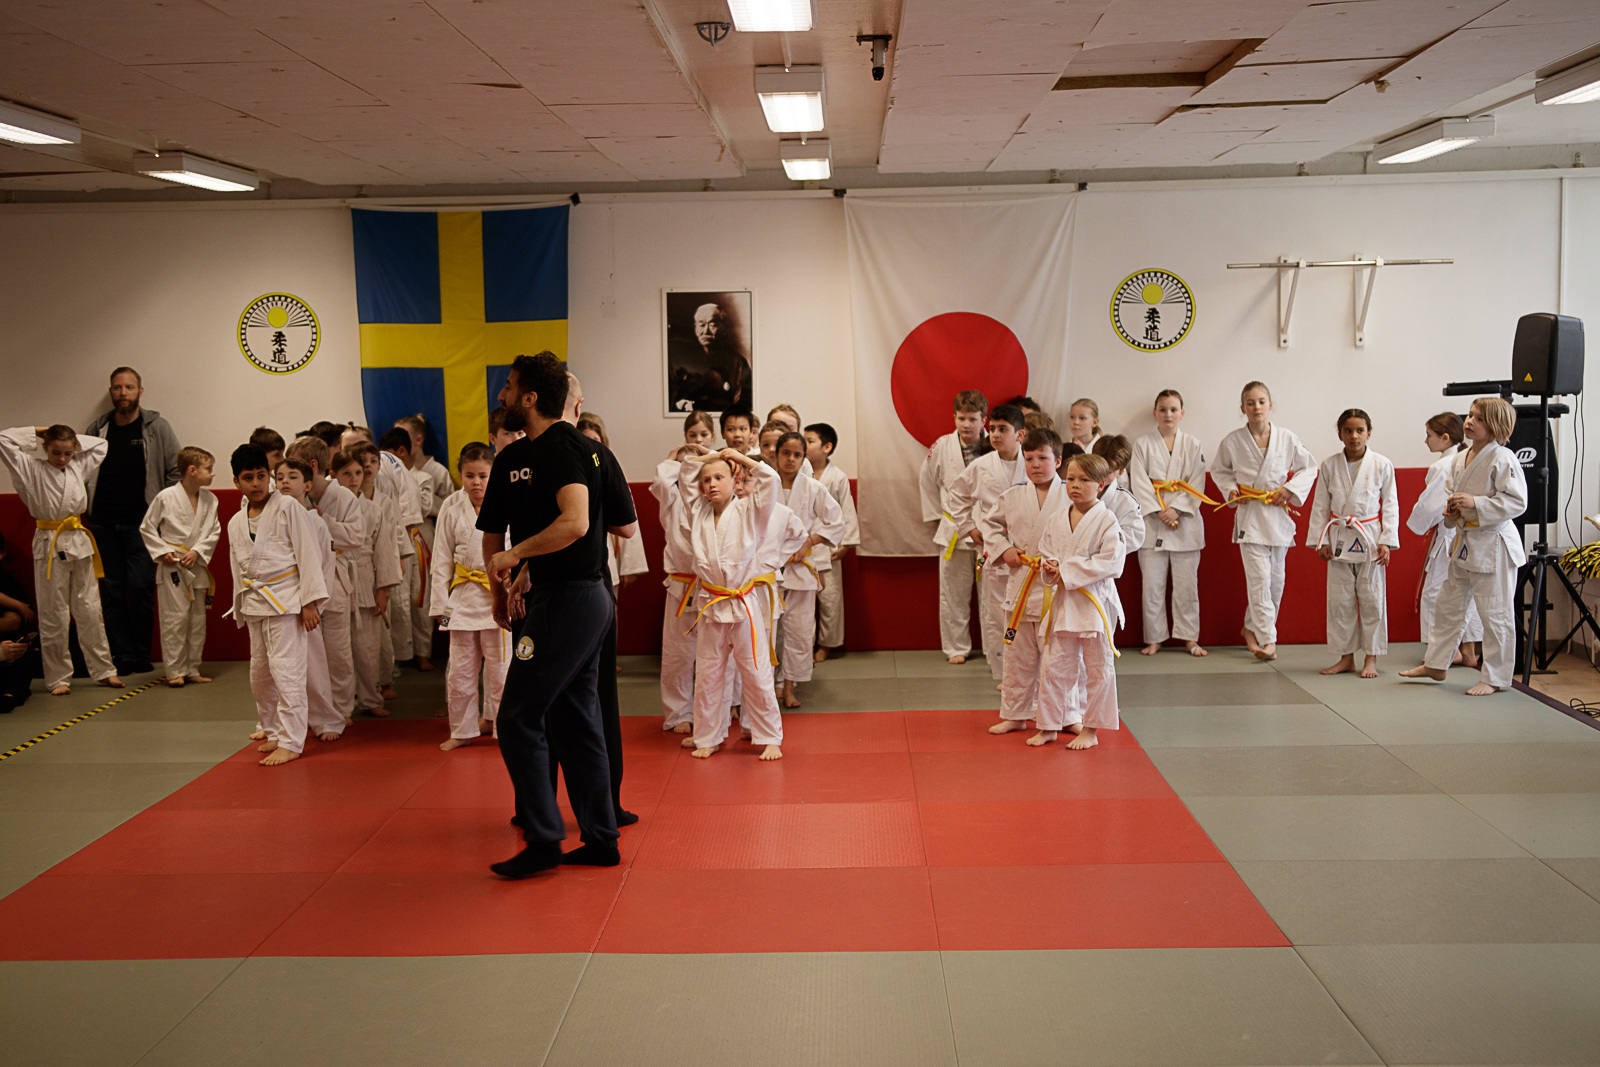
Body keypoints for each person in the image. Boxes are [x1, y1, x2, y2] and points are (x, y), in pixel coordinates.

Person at [480, 352, 637, 878]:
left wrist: (512, 555)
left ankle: (544, 837)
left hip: (568, 599)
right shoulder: (561, 451)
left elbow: (575, 523)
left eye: (508, 386)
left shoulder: (561, 447)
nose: (502, 394)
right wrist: (512, 580)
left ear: (529, 398)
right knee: (575, 718)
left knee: (517, 717)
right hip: (579, 596)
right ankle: (601, 838)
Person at [1401, 397, 1527, 696]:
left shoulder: (1504, 458)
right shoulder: (1460, 458)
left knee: (1495, 613)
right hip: (1464, 542)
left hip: (1494, 545)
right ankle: (1436, 664)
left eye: (1478, 418)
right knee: (1448, 605)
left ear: (1495, 426)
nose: (1469, 422)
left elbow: (1517, 502)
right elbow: (1450, 496)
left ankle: (1495, 678)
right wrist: (1451, 514)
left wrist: (1476, 503)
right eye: (1470, 415)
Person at [675, 446, 786, 759]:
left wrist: (739, 458)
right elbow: (685, 475)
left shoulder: (751, 510)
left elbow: (771, 478)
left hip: (742, 601)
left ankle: (770, 736)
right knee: (708, 672)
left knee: (755, 669)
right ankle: (707, 735)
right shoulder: (698, 512)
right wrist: (707, 455)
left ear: (735, 480)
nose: (711, 483)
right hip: (712, 601)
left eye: (719, 477)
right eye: (706, 479)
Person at [224, 444, 328, 766]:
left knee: (287, 672)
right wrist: (239, 605)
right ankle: (272, 730)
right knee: (260, 674)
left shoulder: (287, 507)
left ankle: (292, 741)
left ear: (268, 475)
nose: (256, 483)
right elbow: (237, 568)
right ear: (236, 481)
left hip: (286, 602)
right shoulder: (235, 522)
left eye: (261, 476)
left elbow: (308, 553)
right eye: (248, 478)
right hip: (255, 603)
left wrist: (309, 602)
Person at [0, 424, 121, 696]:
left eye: (68, 453)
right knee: (54, 612)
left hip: (78, 540)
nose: (63, 458)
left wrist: (72, 441)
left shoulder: (78, 465)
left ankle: (104, 670)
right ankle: (58, 678)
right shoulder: (30, 468)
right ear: (45, 448)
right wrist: (38, 431)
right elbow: (3, 439)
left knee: (90, 607)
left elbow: (101, 445)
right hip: (49, 541)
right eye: (56, 453)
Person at [84, 367, 180, 677]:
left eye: (129, 387)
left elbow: (176, 470)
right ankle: (122, 655)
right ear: (110, 392)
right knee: (111, 591)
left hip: (142, 525)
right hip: (102, 524)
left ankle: (140, 653)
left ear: (140, 391)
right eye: (117, 387)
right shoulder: (97, 430)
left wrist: (161, 509)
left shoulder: (156, 427)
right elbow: (82, 471)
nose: (123, 393)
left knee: (140, 589)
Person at [1211, 381, 1317, 661]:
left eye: (1261, 402)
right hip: (1250, 518)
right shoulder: (1233, 441)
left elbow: (1309, 468)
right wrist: (1231, 490)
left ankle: (1250, 628)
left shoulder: (1287, 438)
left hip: (1277, 516)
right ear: (1243, 407)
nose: (1256, 407)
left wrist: (1290, 490)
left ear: (1271, 405)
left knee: (1275, 583)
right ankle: (1269, 640)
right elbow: (1219, 470)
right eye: (1250, 403)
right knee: (1259, 581)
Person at [1032, 452, 1126, 750]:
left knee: (1098, 668)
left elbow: (1112, 562)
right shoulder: (1057, 518)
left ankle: (1091, 729)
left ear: (1100, 485)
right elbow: (1047, 550)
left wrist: (1067, 570)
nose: (1075, 485)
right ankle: (1049, 725)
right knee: (1053, 664)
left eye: (1084, 480)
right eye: (1071, 478)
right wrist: (1050, 567)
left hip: (1093, 602)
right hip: (1064, 601)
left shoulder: (1107, 520)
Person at [979, 427, 1069, 735]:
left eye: (1042, 458)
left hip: (1057, 588)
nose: (1035, 465)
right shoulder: (1012, 495)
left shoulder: (1072, 496)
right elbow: (990, 526)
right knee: (1018, 657)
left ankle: (1067, 715)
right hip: (1021, 585)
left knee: (1060, 657)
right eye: (1029, 458)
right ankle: (1016, 713)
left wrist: (1067, 563)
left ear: (1058, 461)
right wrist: (1004, 549)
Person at [1308, 409, 1399, 678]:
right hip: (1339, 538)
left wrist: (1387, 541)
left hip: (1369, 539)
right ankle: (1346, 657)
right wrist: (1320, 540)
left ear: (1369, 433)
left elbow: (1391, 505)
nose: (1354, 436)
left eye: (1360, 430)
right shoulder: (1329, 465)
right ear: (1340, 434)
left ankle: (1371, 657)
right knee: (1340, 602)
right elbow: (1320, 505)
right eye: (1348, 431)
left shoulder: (1382, 464)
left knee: (1372, 600)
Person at [431, 442, 505, 751]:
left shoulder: (506, 503)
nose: (476, 482)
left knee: (501, 668)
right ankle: (461, 730)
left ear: (493, 475)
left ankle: (504, 728)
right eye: (470, 476)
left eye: (483, 476)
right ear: (460, 475)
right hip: (460, 596)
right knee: (460, 670)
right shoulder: (451, 507)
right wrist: (439, 604)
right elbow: (440, 557)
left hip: (497, 593)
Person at [947, 403, 1027, 683]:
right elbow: (956, 495)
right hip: (993, 547)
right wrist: (968, 526)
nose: (995, 434)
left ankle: (1025, 670)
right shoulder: (982, 466)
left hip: (1026, 549)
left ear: (1020, 434)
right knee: (996, 612)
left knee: (1025, 612)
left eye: (1003, 429)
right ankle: (1002, 671)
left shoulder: (1033, 463)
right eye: (992, 428)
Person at [1128, 389, 1210, 657]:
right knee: (1152, 586)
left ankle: (1190, 638)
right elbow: (1139, 481)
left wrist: (1178, 509)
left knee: (1187, 587)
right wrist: (1158, 510)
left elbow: (1197, 481)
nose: (1168, 414)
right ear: (1155, 413)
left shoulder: (1193, 444)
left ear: (1182, 413)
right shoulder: (1142, 444)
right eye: (1163, 409)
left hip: (1184, 523)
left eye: (1173, 409)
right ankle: (1154, 638)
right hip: (1153, 523)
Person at [288, 436, 363, 721]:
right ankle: (312, 711)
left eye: (294, 466)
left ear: (311, 465)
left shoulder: (343, 496)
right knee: (307, 653)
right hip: (301, 582)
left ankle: (342, 709)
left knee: (338, 651)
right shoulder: (291, 497)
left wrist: (322, 521)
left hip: (336, 579)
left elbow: (356, 537)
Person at [273, 457, 347, 744]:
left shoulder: (315, 521)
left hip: (306, 604)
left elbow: (324, 566)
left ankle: (326, 719)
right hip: (277, 602)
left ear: (306, 485)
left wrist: (314, 603)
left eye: (292, 477)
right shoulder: (270, 517)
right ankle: (280, 724)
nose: (284, 482)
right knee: (277, 668)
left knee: (313, 665)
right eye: (280, 477)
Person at [771, 431, 844, 709]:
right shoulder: (764, 486)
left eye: (797, 455)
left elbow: (836, 521)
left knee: (799, 631)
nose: (791, 459)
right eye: (786, 453)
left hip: (801, 568)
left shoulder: (813, 487)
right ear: (776, 455)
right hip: (768, 569)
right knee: (769, 632)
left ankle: (790, 686)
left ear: (804, 458)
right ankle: (769, 686)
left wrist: (809, 541)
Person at [138, 446, 220, 688]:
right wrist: (162, 551)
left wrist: (198, 551)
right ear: (192, 471)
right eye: (208, 469)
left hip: (196, 564)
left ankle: (192, 668)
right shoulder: (165, 497)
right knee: (175, 619)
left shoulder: (210, 500)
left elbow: (214, 531)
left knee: (197, 621)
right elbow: (147, 527)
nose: (213, 474)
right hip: (173, 565)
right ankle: (175, 670)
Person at [1408, 412, 1483, 669]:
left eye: (1429, 435)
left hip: (1450, 536)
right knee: (1468, 595)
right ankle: (1469, 651)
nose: (1426, 440)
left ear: (1445, 437)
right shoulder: (1469, 458)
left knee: (1434, 594)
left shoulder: (1443, 465)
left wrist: (1416, 525)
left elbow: (1430, 507)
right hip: (1469, 535)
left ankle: (1441, 652)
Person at [918, 389, 988, 664]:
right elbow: (926, 479)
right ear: (954, 417)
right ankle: (956, 647)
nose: (966, 424)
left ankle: (994, 648)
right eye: (961, 418)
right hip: (953, 527)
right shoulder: (942, 445)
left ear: (983, 419)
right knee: (952, 593)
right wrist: (937, 515)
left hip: (987, 529)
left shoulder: (994, 445)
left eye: (972, 419)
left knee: (991, 594)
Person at [331, 445, 399, 719]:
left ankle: (371, 699)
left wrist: (383, 589)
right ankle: (341, 706)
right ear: (333, 475)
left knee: (368, 648)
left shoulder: (373, 509)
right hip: (335, 577)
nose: (354, 479)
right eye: (346, 473)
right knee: (339, 651)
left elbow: (384, 552)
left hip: (366, 578)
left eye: (358, 472)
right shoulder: (325, 509)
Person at [378, 427, 432, 672]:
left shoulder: (401, 469)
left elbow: (412, 514)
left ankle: (416, 655)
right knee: (398, 604)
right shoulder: (390, 466)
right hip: (395, 542)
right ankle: (394, 663)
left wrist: (400, 549)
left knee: (415, 601)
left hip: (409, 541)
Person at [804, 422, 858, 662]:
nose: (805, 445)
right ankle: (803, 645)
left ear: (827, 447)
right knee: (802, 601)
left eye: (810, 441)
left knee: (830, 599)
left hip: (829, 547)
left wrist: (846, 544)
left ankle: (826, 644)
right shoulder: (799, 474)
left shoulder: (837, 477)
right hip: (803, 546)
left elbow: (847, 510)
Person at [668, 301, 751, 412]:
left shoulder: (737, 363)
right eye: (701, 325)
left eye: (712, 325)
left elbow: (746, 405)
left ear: (725, 328)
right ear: (695, 329)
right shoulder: (683, 361)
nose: (706, 331)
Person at [0, 533, 41, 714]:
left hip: (6, 642)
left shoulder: (9, 583)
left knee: (25, 648)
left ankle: (10, 694)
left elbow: (14, 622)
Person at [1092, 435, 1145, 552]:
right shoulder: (1076, 489)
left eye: (1108, 472)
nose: (1101, 474)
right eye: (1097, 467)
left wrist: (1100, 540)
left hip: (1106, 558)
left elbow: (1134, 537)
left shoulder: (1127, 502)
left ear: (1120, 472)